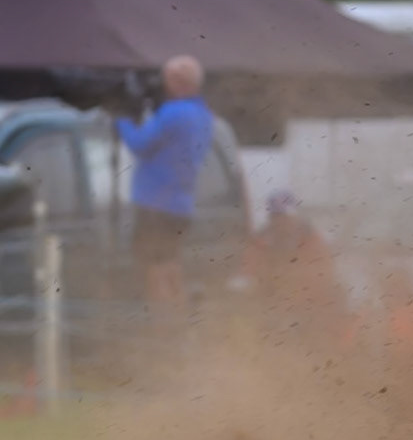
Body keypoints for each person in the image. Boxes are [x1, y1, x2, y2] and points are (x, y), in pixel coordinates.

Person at [116, 55, 215, 315]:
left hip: (155, 206)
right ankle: (178, 332)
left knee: (154, 271)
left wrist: (120, 117)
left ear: (176, 82)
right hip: (180, 206)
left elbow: (138, 144)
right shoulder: (202, 114)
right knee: (171, 267)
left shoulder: (174, 113)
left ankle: (163, 332)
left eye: (165, 79)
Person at [238, 190, 343, 337]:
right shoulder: (260, 242)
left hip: (309, 309)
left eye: (285, 217)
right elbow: (247, 273)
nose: (281, 222)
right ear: (271, 218)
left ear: (294, 217)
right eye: (276, 216)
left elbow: (325, 274)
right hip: (269, 307)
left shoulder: (312, 240)